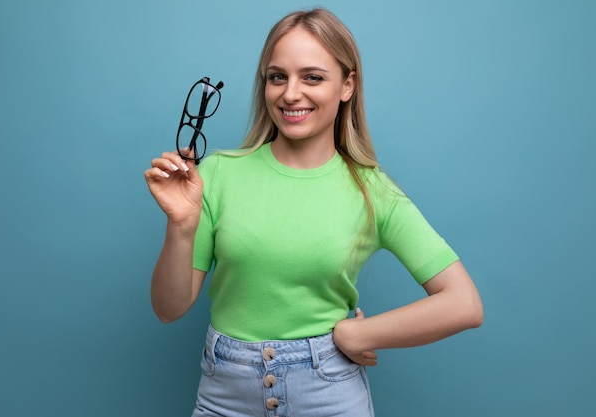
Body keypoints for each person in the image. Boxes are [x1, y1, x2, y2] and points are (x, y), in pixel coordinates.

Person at [144, 7, 483, 417]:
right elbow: (169, 308)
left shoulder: (371, 191)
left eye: (312, 77)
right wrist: (181, 224)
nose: (290, 93)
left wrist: (358, 333)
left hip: (329, 396)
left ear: (347, 85)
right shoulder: (216, 174)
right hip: (224, 398)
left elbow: (464, 303)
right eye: (277, 77)